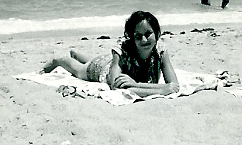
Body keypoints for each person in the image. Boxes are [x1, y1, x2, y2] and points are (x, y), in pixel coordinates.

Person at [40, 11, 179, 98]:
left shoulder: (160, 50)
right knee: (80, 71)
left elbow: (174, 85)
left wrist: (136, 85)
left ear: (157, 34)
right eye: (138, 36)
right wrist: (161, 90)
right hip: (103, 69)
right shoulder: (122, 49)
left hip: (110, 62)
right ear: (132, 38)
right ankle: (60, 60)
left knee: (99, 59)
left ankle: (77, 54)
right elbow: (115, 86)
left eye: (148, 34)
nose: (144, 40)